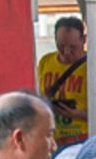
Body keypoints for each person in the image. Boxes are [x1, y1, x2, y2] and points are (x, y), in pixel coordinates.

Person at [37, 17, 89, 145]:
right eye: (61, 46)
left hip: (81, 138)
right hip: (52, 139)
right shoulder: (46, 61)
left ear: (83, 40)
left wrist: (76, 113)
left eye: (73, 47)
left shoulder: (93, 66)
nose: (66, 52)